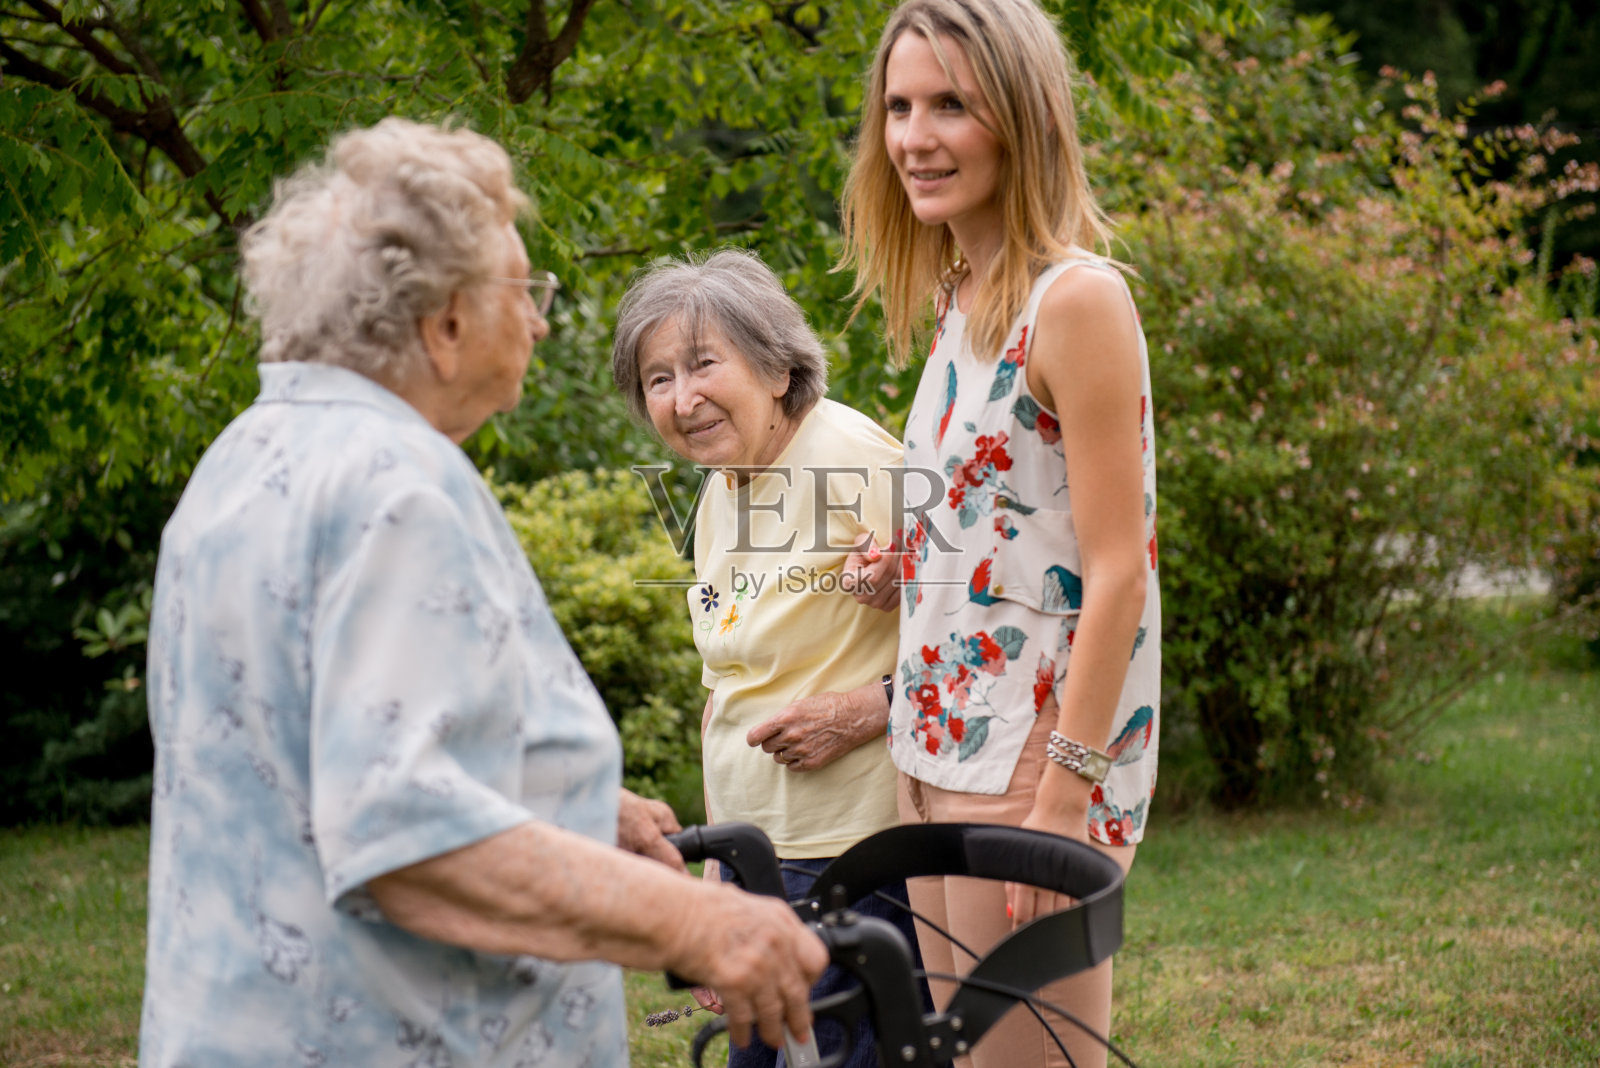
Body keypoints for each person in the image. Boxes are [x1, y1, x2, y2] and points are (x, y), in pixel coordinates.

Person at [140, 118, 826, 1068]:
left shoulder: (249, 456)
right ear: (448, 320)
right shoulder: (397, 490)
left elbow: (326, 760)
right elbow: (407, 842)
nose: (542, 321)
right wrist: (703, 922)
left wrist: (564, 804)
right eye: (526, 291)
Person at [835, 1, 1162, 1066]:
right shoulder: (959, 295)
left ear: (1019, 120)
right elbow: (1010, 519)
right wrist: (907, 559)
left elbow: (1120, 568)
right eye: (898, 106)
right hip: (931, 736)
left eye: (950, 106)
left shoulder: (1079, 301)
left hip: (1031, 754)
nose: (913, 138)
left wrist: (1065, 797)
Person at [610, 248, 920, 1068]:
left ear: (779, 368)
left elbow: (985, 630)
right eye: (659, 379)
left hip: (859, 853)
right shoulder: (722, 488)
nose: (683, 399)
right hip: (758, 852)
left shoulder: (858, 459)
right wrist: (721, 874)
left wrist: (874, 704)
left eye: (704, 364)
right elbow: (726, 692)